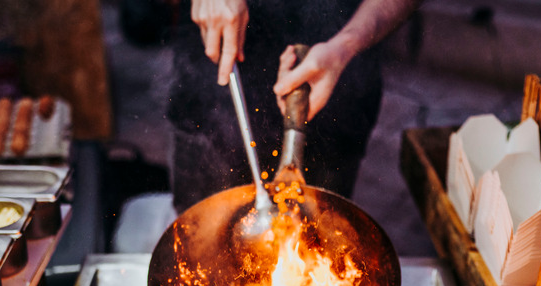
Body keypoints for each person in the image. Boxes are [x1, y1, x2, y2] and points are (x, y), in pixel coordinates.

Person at [167, 0, 418, 213]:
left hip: (337, 77)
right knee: (201, 240)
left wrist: (346, 45)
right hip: (215, 74)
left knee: (317, 239)